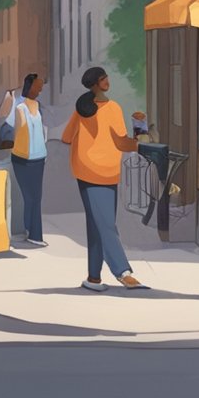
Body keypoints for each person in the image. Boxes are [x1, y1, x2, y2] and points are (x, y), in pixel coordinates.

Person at [61, 67, 147, 291]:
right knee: (106, 224)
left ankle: (93, 278)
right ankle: (123, 272)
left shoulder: (82, 109)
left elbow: (66, 137)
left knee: (96, 223)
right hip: (104, 171)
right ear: (97, 83)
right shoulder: (112, 108)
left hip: (86, 170)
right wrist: (141, 135)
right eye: (103, 78)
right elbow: (122, 143)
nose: (107, 81)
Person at [9, 74, 49, 248]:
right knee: (28, 196)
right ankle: (27, 231)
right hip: (22, 158)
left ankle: (34, 234)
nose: (40, 89)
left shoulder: (38, 106)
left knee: (36, 196)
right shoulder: (20, 108)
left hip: (39, 157)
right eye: (38, 86)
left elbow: (41, 130)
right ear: (30, 85)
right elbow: (18, 132)